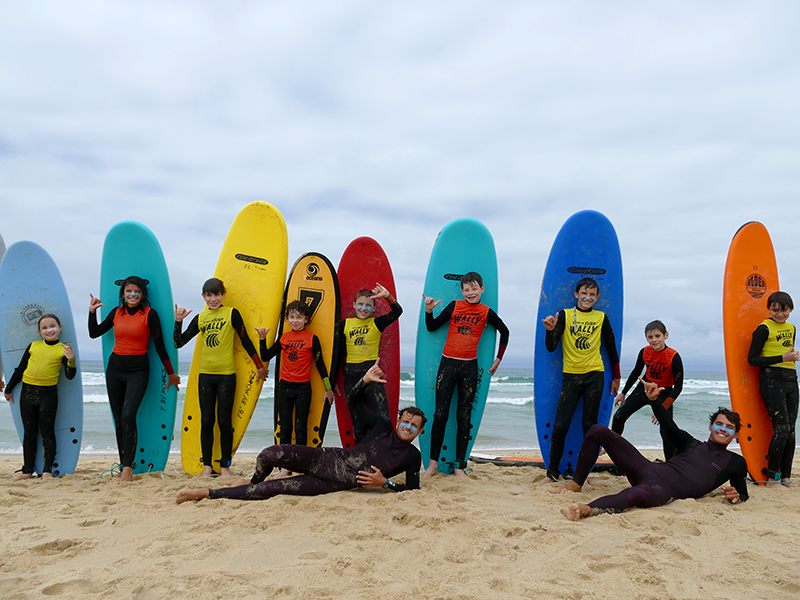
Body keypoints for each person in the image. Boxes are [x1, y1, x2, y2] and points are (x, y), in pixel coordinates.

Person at [175, 360, 424, 503]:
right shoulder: (382, 427)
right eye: (405, 420)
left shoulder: (412, 457)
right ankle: (252, 479)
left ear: (419, 432)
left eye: (414, 425)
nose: (408, 426)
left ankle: (206, 493)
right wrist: (365, 380)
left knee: (274, 489)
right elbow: (353, 401)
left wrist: (386, 483)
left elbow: (413, 489)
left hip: (333, 483)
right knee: (268, 454)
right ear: (398, 420)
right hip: (328, 457)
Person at [553, 379, 748, 521]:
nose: (723, 429)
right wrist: (654, 401)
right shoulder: (690, 443)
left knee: (635, 495)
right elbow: (668, 424)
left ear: (736, 434)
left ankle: (587, 509)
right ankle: (576, 483)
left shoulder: (735, 462)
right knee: (597, 430)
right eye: (719, 424)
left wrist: (737, 495)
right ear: (710, 426)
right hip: (649, 469)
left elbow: (742, 493)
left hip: (665, 490)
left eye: (729, 427)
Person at [88, 276, 180, 482]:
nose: (132, 295)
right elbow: (94, 333)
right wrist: (92, 312)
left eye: (136, 292)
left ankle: (128, 468)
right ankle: (123, 464)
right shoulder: (116, 313)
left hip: (138, 369)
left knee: (129, 415)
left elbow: (159, 345)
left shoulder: (149, 314)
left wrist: (171, 373)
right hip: (115, 369)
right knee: (119, 418)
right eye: (128, 291)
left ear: (142, 294)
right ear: (123, 294)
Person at [174, 278, 268, 477]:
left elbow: (245, 341)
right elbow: (179, 343)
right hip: (205, 376)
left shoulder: (231, 314)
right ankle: (207, 467)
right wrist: (178, 322)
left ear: (223, 295)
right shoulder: (200, 318)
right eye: (209, 295)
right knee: (207, 421)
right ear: (203, 297)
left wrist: (259, 367)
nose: (213, 299)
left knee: (224, 421)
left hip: (226, 376)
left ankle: (225, 467)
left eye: (217, 294)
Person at [422, 271, 509, 478]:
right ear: (462, 291)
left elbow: (505, 332)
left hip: (469, 368)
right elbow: (432, 327)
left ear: (482, 289)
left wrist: (498, 359)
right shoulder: (454, 306)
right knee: (441, 415)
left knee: (464, 417)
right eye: (466, 289)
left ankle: (459, 467)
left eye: (474, 289)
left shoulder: (486, 312)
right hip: (448, 365)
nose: (470, 293)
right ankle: (433, 465)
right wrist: (428, 311)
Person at [541, 277, 621, 482]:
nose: (588, 297)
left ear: (597, 297)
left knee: (589, 426)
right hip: (571, 376)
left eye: (592, 295)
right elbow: (551, 346)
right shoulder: (566, 316)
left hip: (595, 375)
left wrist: (617, 376)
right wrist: (550, 331)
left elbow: (611, 347)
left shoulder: (601, 317)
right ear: (576, 294)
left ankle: (582, 476)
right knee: (560, 425)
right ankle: (551, 472)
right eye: (584, 293)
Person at [257, 299, 334, 472]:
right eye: (291, 317)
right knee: (284, 428)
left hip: (303, 389)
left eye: (299, 317)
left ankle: (301, 466)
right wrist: (262, 339)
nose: (295, 321)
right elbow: (266, 355)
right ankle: (284, 467)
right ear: (288, 319)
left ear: (306, 319)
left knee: (300, 428)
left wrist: (328, 388)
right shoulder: (284, 338)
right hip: (284, 388)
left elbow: (320, 364)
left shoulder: (312, 339)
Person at [3, 314, 76, 480]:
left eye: (52, 326)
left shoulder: (63, 349)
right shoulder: (33, 346)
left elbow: (70, 376)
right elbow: (20, 369)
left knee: (47, 432)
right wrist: (9, 388)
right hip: (27, 393)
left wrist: (71, 359)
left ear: (60, 327)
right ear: (40, 331)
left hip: (48, 394)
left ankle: (47, 471)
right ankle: (27, 471)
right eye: (44, 327)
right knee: (29, 433)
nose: (49, 330)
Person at [331, 283, 402, 443]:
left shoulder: (376, 323)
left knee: (384, 418)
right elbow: (338, 354)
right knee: (358, 423)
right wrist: (332, 380)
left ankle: (385, 455)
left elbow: (397, 312)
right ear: (354, 305)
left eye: (368, 306)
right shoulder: (344, 325)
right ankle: (361, 458)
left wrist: (387, 296)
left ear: (374, 309)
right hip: (351, 376)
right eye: (360, 304)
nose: (364, 308)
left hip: (372, 372)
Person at [747, 290, 799, 487]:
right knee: (782, 429)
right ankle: (772, 476)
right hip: (771, 379)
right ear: (768, 309)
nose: (780, 314)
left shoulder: (792, 328)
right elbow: (753, 360)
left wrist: (788, 360)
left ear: (790, 309)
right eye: (775, 310)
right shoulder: (763, 328)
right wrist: (782, 358)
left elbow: (788, 353)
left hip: (791, 379)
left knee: (791, 430)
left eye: (784, 310)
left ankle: (785, 476)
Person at [612, 320, 684, 459]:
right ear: (646, 338)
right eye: (650, 337)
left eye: (657, 336)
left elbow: (678, 387)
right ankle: (613, 448)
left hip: (664, 392)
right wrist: (623, 393)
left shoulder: (673, 356)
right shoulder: (645, 351)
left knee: (666, 431)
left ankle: (670, 463)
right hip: (644, 389)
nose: (654, 340)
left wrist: (662, 408)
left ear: (666, 336)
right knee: (619, 417)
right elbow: (636, 372)